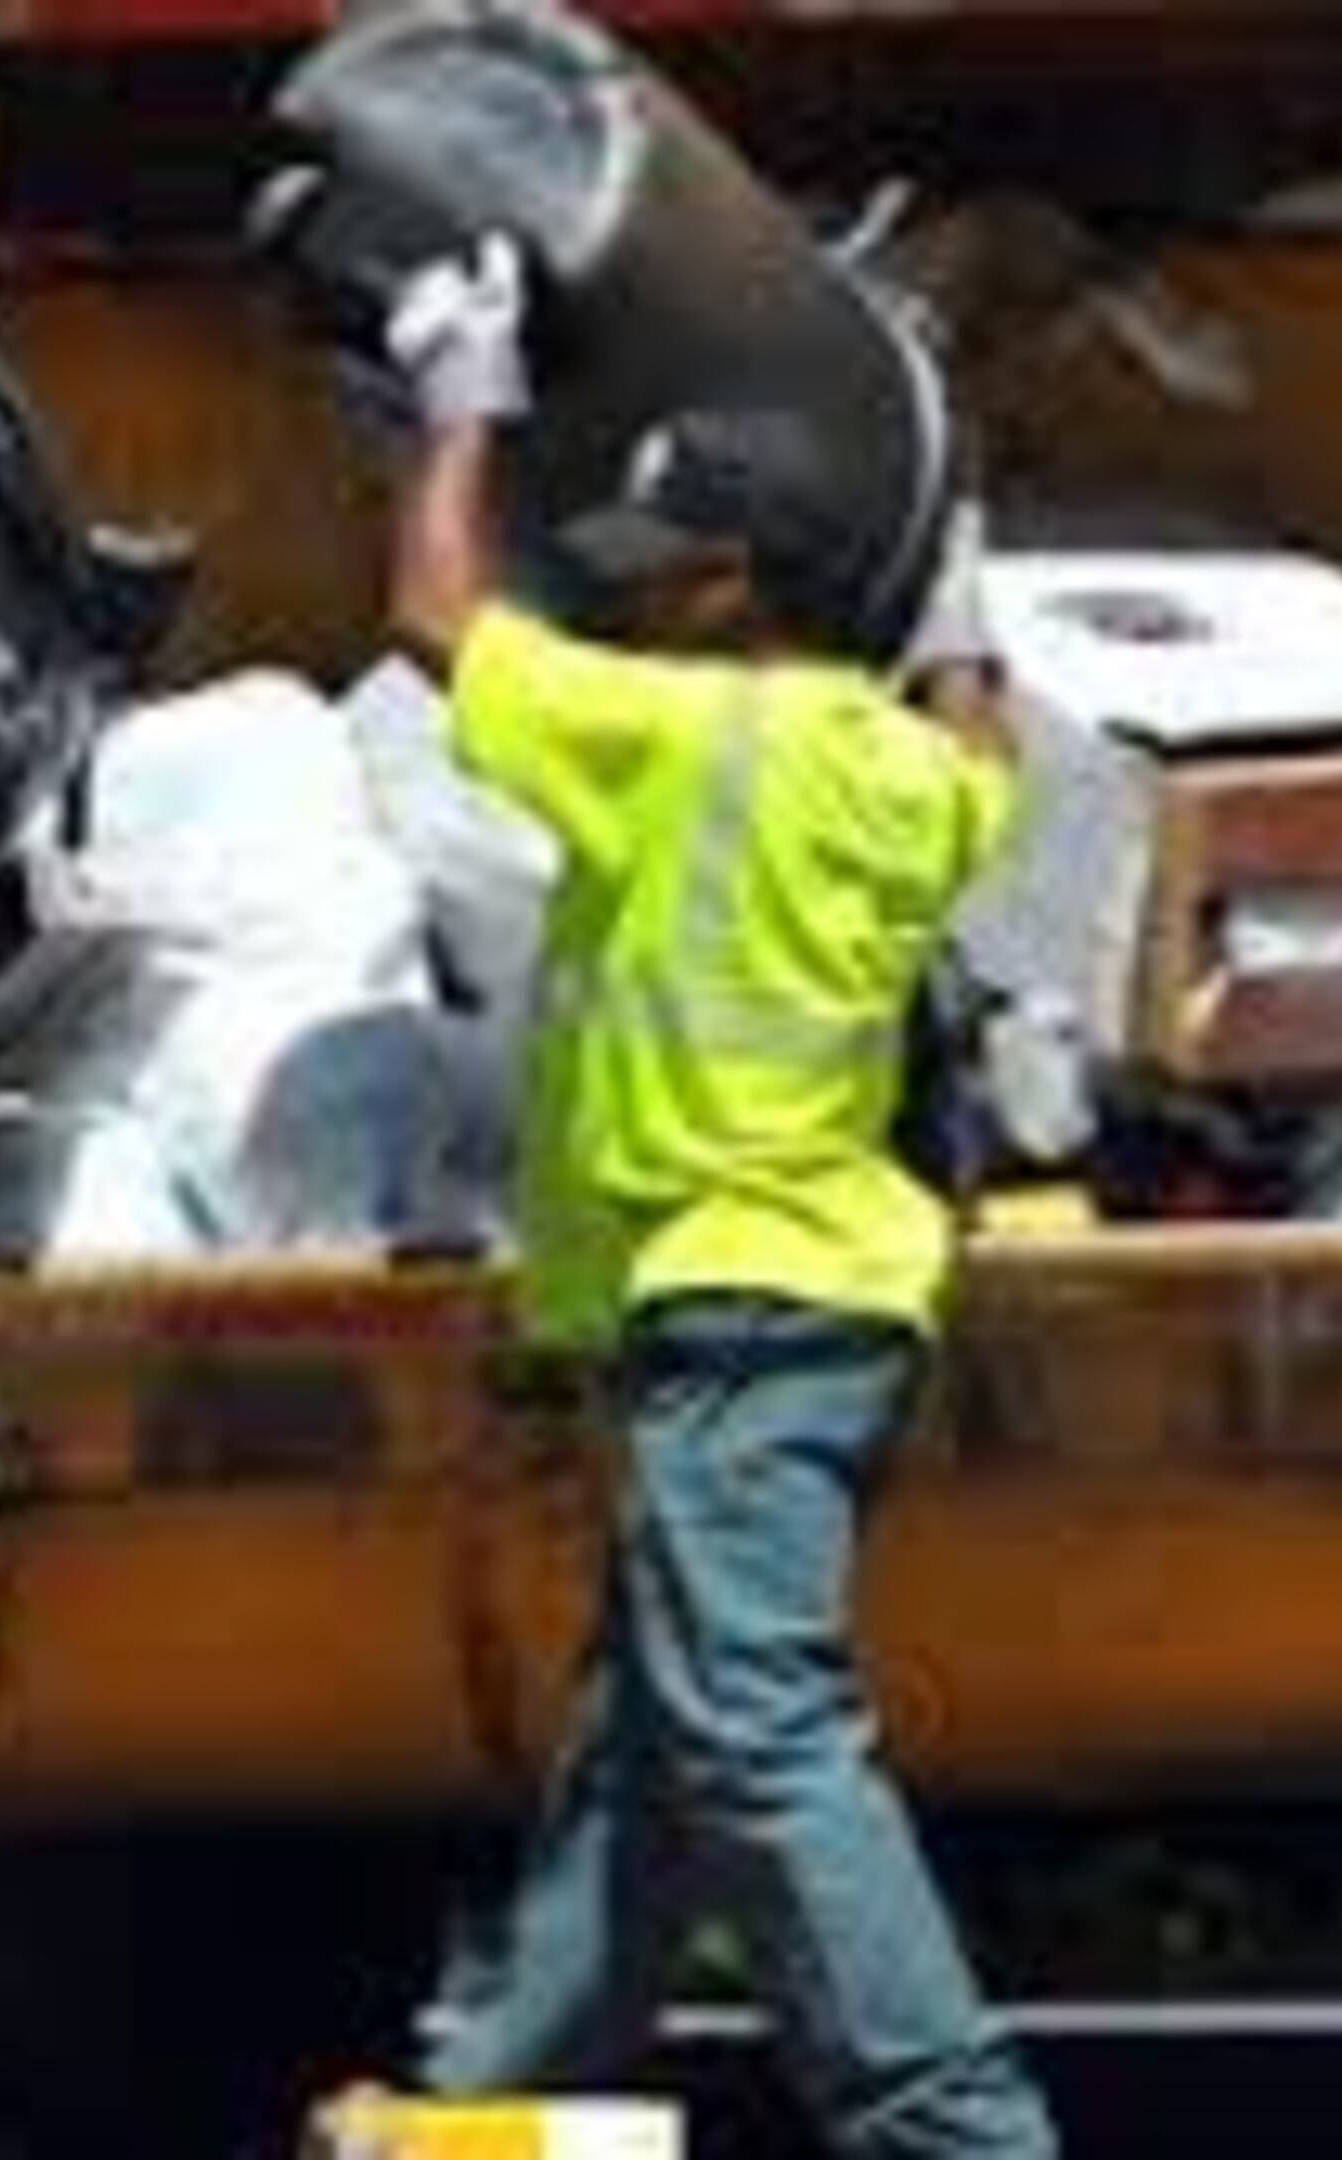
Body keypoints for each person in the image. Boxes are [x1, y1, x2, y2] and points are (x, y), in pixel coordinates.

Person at [363, 238, 1062, 2159]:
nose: (628, 580)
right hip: (827, 1293)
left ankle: (955, 2127)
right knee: (653, 1745)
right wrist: (961, 557)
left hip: (731, 1298)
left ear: (737, 581)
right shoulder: (911, 777)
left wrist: (459, 403)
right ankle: (488, 2100)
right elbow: (987, 737)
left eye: (660, 556)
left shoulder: (672, 741)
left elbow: (436, 619)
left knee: (751, 1725)